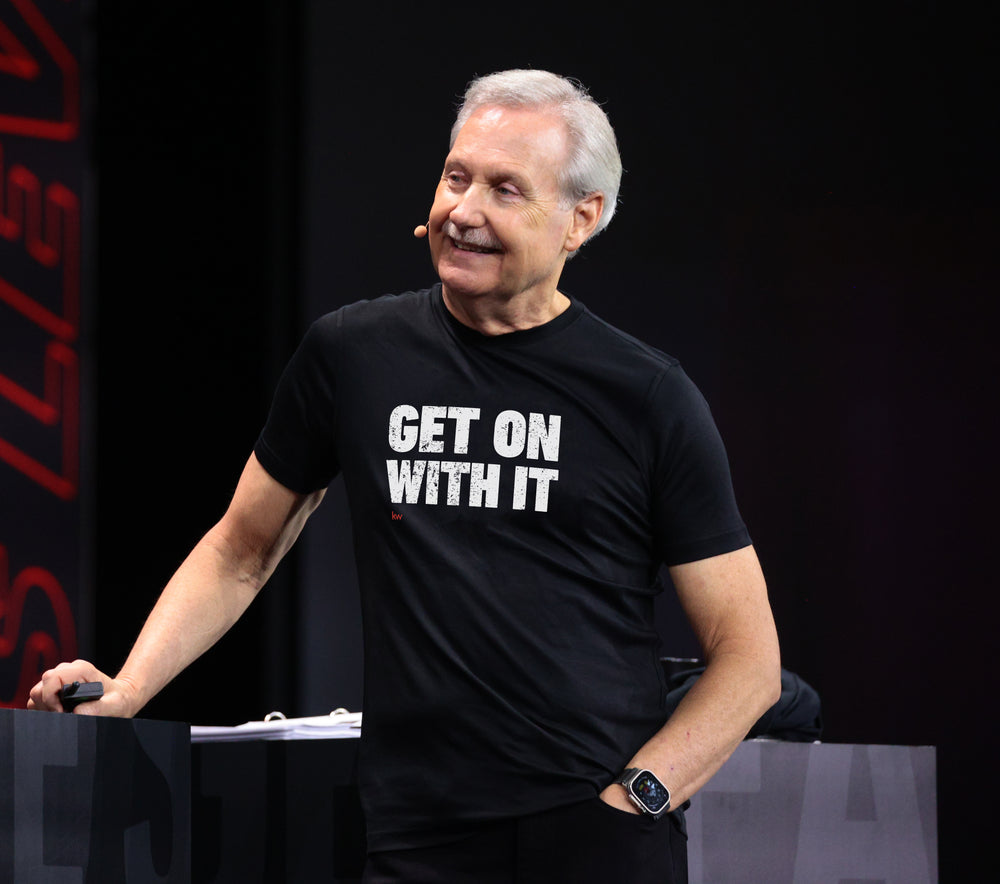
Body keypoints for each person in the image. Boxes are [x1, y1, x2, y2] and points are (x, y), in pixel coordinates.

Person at [29, 69, 781, 883]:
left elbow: (748, 660)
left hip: (595, 836)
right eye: (456, 177)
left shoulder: (646, 396)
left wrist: (637, 798)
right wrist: (128, 688)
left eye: (504, 189)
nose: (464, 211)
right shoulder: (353, 354)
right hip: (415, 835)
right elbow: (239, 552)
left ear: (582, 218)